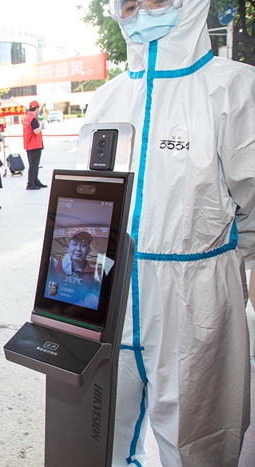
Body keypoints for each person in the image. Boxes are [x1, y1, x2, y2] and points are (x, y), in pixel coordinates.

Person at [85, 0, 255, 465]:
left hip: (195, 301)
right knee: (97, 435)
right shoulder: (107, 98)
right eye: (129, 4)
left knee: (197, 440)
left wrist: (235, 268)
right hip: (109, 295)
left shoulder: (232, 88)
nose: (142, 12)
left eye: (156, 0)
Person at [46, 231, 100, 309]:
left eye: (84, 245)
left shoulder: (94, 274)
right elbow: (51, 292)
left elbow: (94, 302)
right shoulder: (59, 265)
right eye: (75, 244)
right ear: (69, 247)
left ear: (88, 250)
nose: (78, 249)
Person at [22, 100, 46, 190]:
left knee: (33, 164)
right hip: (34, 145)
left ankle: (35, 180)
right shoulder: (33, 119)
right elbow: (36, 131)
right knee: (34, 165)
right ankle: (31, 183)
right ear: (37, 108)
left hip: (29, 144)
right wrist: (41, 124)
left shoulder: (26, 118)